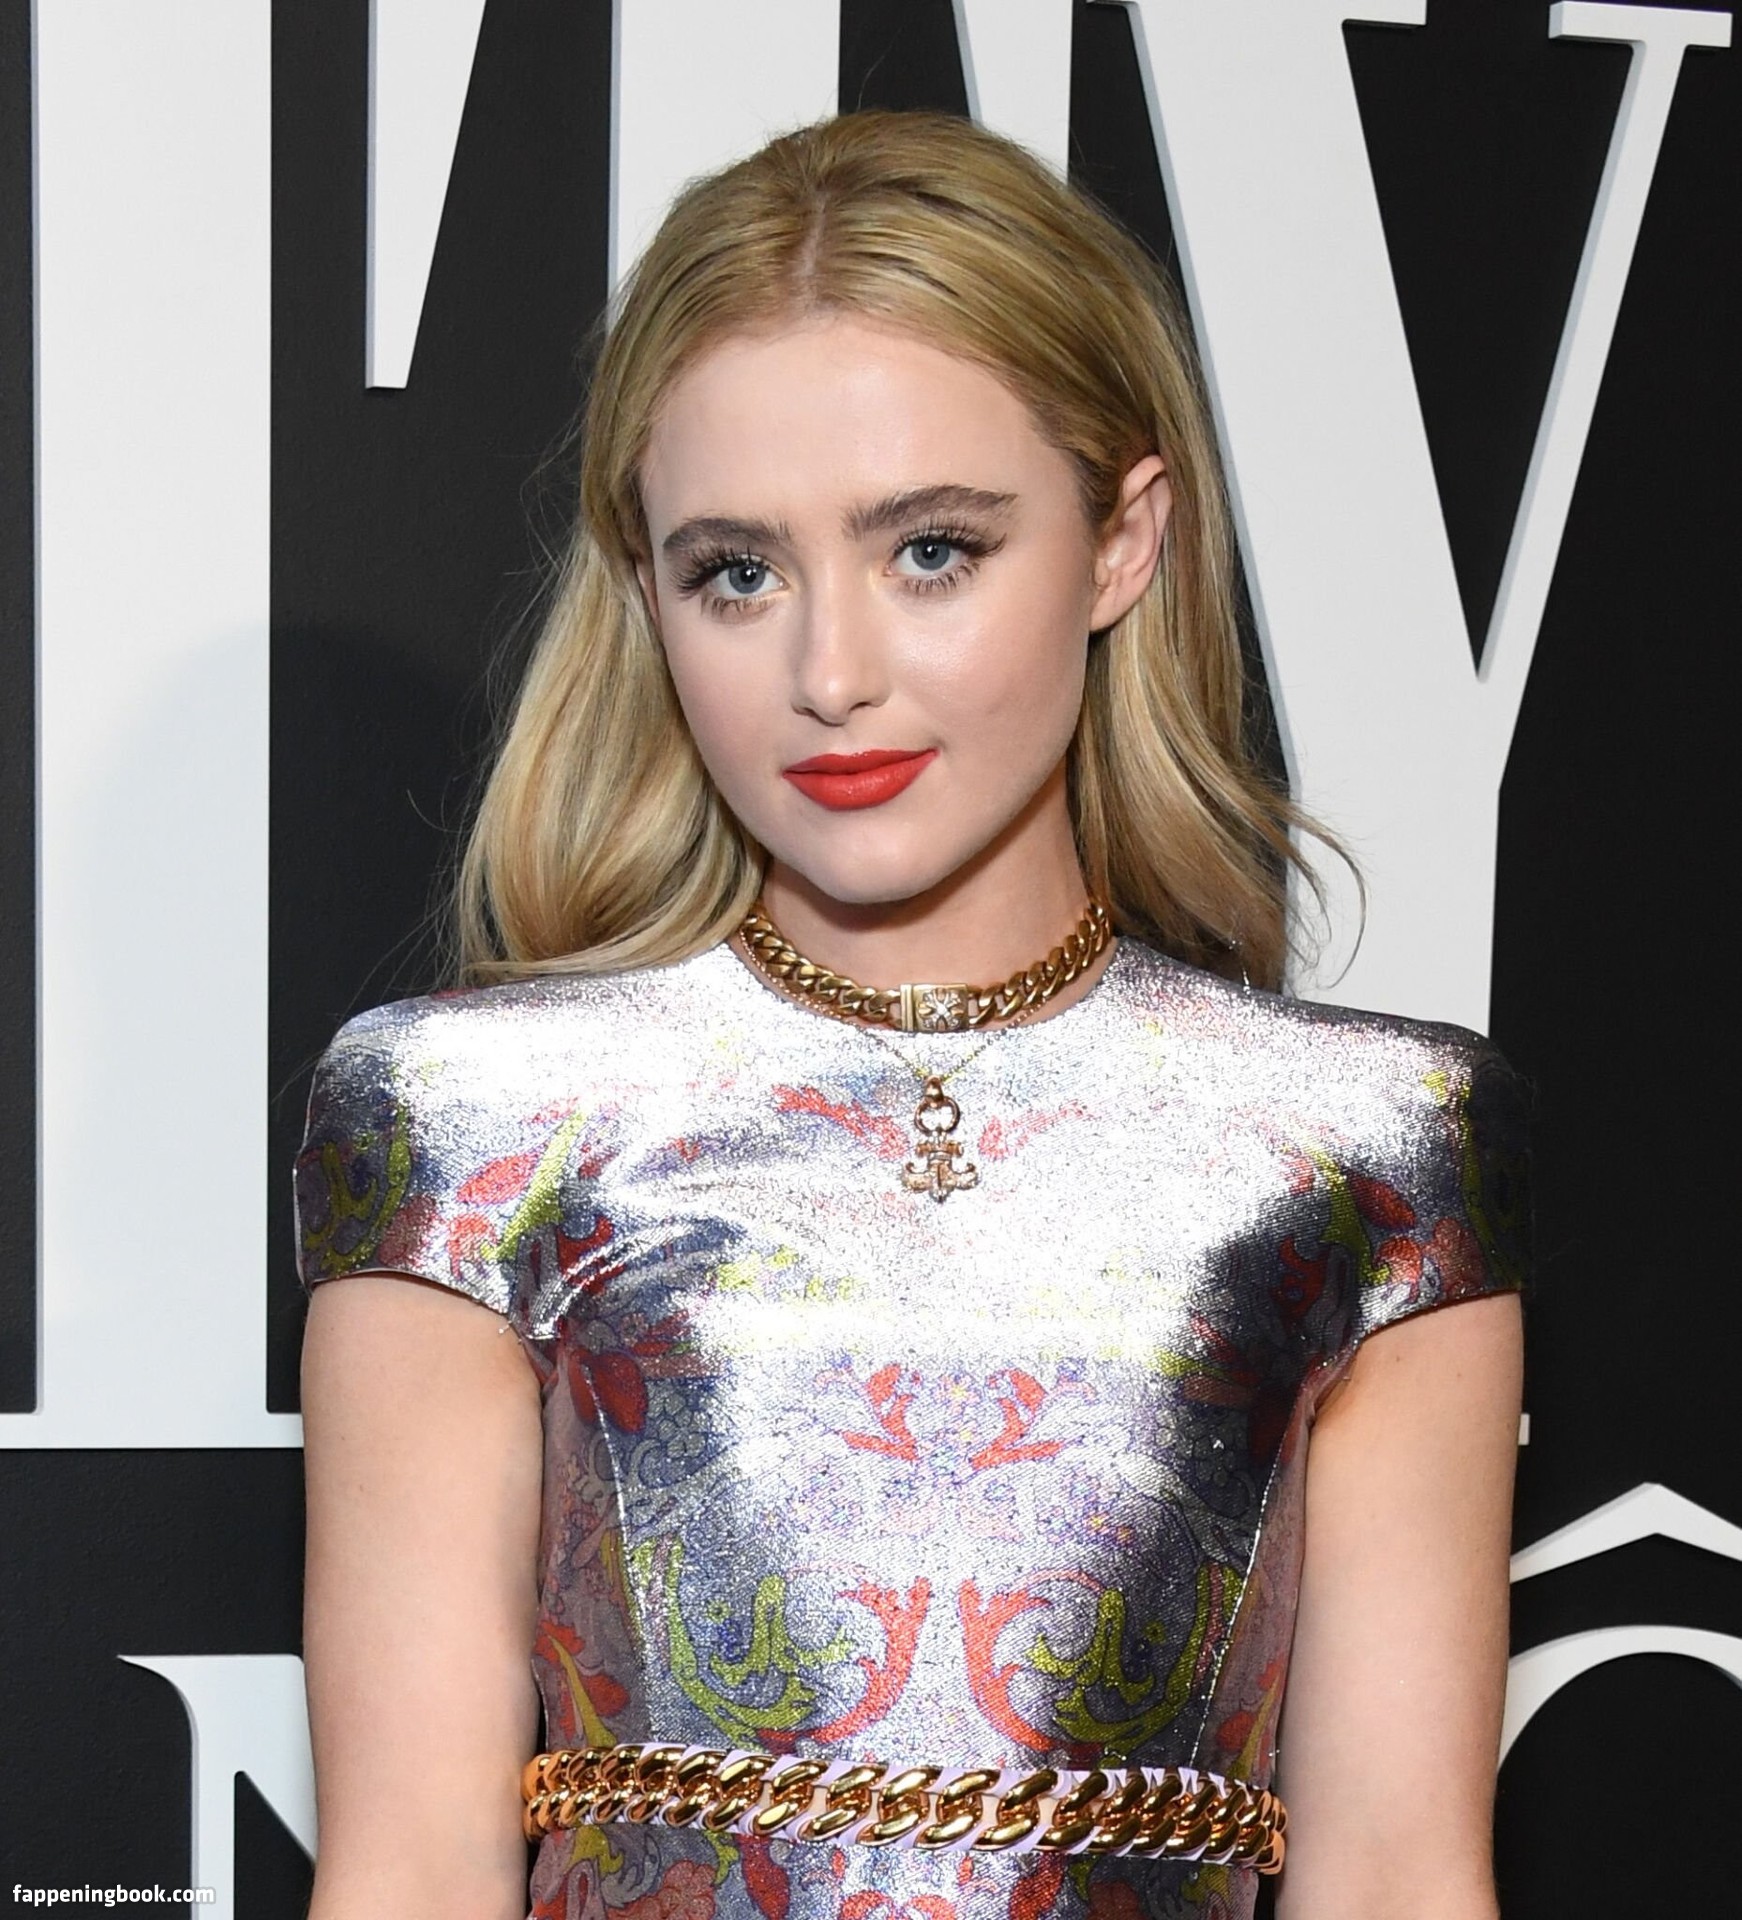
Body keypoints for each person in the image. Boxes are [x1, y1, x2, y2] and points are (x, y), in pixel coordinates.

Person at [294, 111, 1530, 1920]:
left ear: (1121, 543)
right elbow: (407, 1867)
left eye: (932, 549)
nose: (829, 673)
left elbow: (1400, 1876)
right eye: (736, 570)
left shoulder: (1368, 1148)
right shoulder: (467, 1121)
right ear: (647, 592)